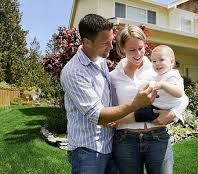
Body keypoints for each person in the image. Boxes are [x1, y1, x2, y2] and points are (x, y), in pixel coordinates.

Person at [60, 14, 157, 174]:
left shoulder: (100, 61)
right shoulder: (73, 72)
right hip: (88, 150)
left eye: (111, 41)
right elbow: (98, 115)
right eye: (105, 43)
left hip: (109, 144)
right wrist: (136, 104)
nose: (111, 47)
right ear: (86, 42)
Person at [110, 25, 188, 174]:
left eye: (141, 48)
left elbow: (183, 97)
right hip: (125, 140)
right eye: (132, 50)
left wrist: (173, 114)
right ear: (122, 49)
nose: (138, 53)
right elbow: (112, 109)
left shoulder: (157, 67)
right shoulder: (113, 76)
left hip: (157, 136)